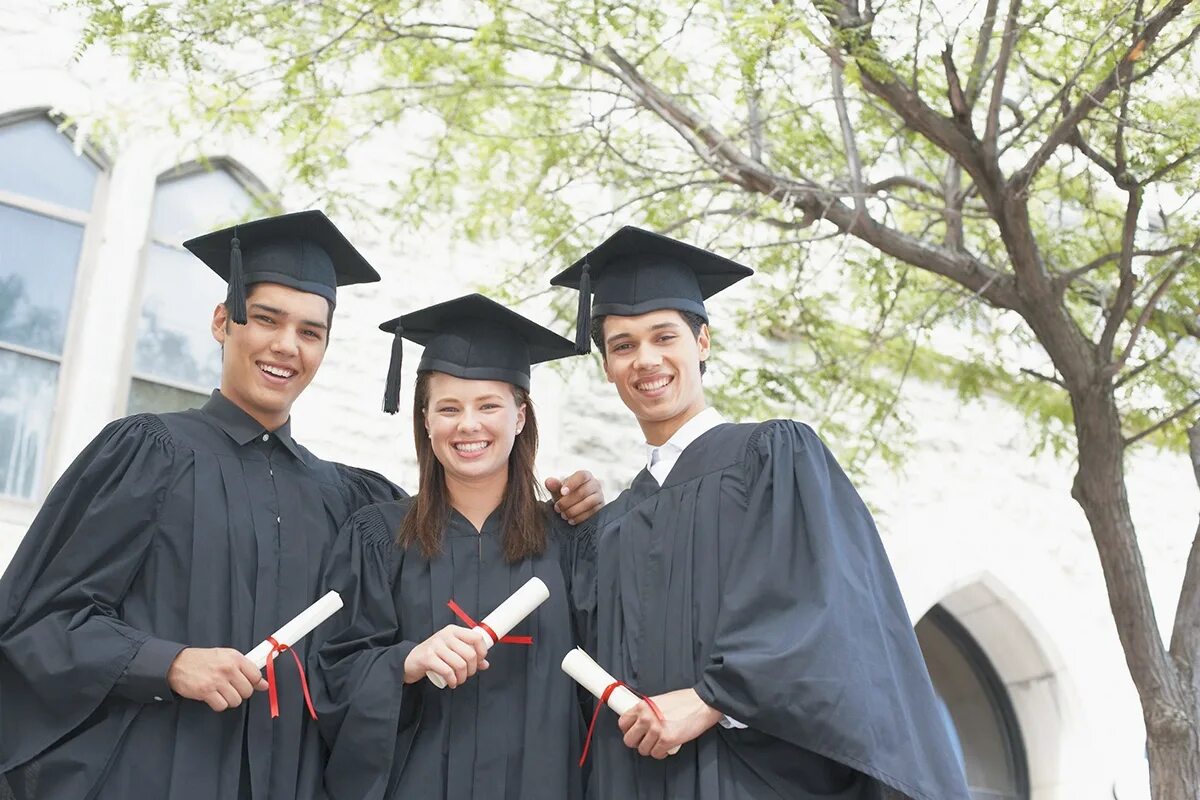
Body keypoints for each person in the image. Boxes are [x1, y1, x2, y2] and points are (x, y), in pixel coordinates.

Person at [0, 210, 603, 800]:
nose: (287, 346)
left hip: (287, 778)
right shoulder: (146, 454)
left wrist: (579, 508)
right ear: (222, 322)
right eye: (267, 319)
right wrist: (170, 662)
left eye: (310, 332)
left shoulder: (351, 502)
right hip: (152, 768)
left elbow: (440, 561)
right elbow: (38, 621)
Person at [550, 226, 971, 800]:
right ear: (606, 367)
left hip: (752, 778)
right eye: (623, 345)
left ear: (702, 342)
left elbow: (827, 609)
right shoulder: (617, 523)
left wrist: (709, 701)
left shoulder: (772, 458)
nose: (645, 360)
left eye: (663, 336)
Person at [312, 293, 591, 800]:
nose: (468, 425)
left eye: (488, 405)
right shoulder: (377, 536)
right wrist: (407, 662)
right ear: (424, 420)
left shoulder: (572, 538)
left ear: (520, 416)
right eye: (448, 408)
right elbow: (332, 676)